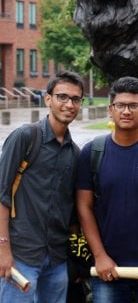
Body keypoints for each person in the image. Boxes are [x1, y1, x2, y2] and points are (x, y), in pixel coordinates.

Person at [76, 76, 138, 302]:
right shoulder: (92, 152)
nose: (126, 111)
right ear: (110, 110)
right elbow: (84, 207)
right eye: (120, 105)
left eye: (133, 105)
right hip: (108, 266)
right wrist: (100, 256)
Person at [0, 70, 84, 302]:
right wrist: (3, 250)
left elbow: (72, 211)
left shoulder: (75, 154)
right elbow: (2, 195)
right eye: (62, 97)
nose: (69, 104)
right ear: (48, 99)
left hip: (56, 259)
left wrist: (76, 258)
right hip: (21, 255)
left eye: (75, 99)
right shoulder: (25, 137)